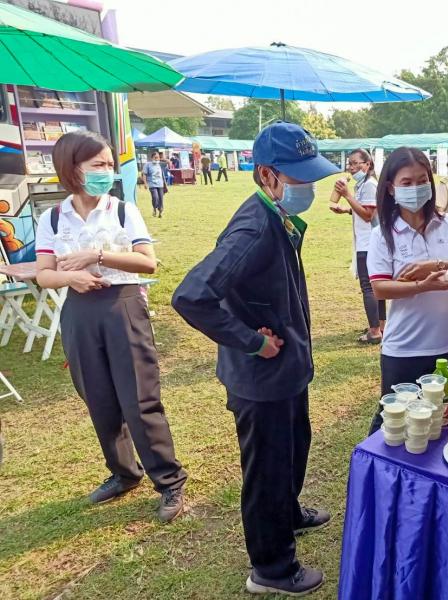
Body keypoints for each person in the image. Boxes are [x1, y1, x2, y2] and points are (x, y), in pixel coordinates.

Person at [172, 122, 337, 596]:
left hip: (287, 371)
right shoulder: (254, 227)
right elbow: (193, 295)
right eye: (298, 177)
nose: (307, 187)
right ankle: (272, 568)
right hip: (261, 376)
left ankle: (288, 512)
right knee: (266, 469)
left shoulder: (276, 213)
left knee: (293, 448)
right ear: (267, 175)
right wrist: (249, 339)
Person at [35, 131, 187, 521]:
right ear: (72, 169)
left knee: (139, 399)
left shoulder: (121, 210)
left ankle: (169, 480)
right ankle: (123, 473)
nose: (107, 171)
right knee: (98, 399)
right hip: (79, 312)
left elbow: (148, 262)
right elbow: (44, 274)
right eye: (98, 165)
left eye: (109, 164)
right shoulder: (53, 216)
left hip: (123, 306)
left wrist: (98, 255)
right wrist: (72, 278)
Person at [367, 147, 448, 434]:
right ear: (391, 188)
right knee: (394, 423)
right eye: (407, 182)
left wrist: (436, 264)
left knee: (436, 420)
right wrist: (422, 285)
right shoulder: (383, 233)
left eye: (422, 180)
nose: (416, 188)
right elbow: (380, 288)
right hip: (403, 348)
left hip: (444, 345)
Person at [331, 149, 385, 344]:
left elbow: (368, 215)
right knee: (375, 286)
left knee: (368, 287)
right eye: (350, 164)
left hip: (368, 243)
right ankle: (380, 324)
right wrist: (347, 210)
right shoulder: (362, 185)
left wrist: (346, 195)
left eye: (355, 163)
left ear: (367, 165)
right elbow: (367, 211)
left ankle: (374, 331)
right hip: (366, 240)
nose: (352, 167)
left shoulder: (369, 185)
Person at [142, 151, 165, 218]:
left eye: (158, 158)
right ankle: (154, 208)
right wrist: (145, 183)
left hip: (160, 184)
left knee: (161, 199)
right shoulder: (147, 164)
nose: (157, 159)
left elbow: (169, 162)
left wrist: (162, 159)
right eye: (155, 157)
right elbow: (144, 174)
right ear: (152, 157)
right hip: (152, 184)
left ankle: (160, 212)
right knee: (155, 197)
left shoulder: (160, 164)